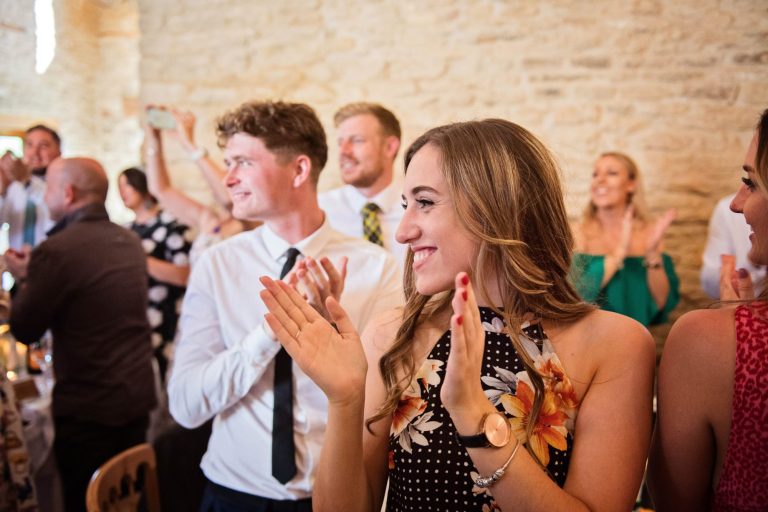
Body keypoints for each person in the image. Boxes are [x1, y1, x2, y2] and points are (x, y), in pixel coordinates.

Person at [260, 119, 655, 511]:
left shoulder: (613, 344)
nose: (403, 232)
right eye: (405, 206)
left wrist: (474, 417)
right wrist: (345, 401)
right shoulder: (394, 333)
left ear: (495, 208)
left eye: (425, 202)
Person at [167, 100, 402, 510]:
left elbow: (387, 405)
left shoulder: (377, 269)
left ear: (299, 169)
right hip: (231, 494)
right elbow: (186, 406)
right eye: (227, 163)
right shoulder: (217, 264)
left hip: (333, 498)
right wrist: (270, 332)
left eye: (242, 162)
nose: (229, 179)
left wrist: (330, 333)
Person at [6, 157, 156, 512]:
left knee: (85, 500)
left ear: (68, 193)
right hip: (135, 397)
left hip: (89, 408)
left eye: (50, 190)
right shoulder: (129, 240)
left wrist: (25, 277)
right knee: (128, 500)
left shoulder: (56, 251)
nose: (44, 200)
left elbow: (26, 329)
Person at [648, 109, 768, 511]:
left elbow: (673, 501)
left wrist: (736, 329)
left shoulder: (707, 342)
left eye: (751, 183)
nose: (737, 204)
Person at [571, 152, 680, 326]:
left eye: (611, 173)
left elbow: (661, 305)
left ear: (631, 185)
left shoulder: (650, 233)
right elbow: (576, 297)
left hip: (636, 340)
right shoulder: (578, 233)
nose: (600, 180)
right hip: (587, 341)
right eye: (595, 174)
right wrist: (619, 252)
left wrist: (652, 254)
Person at [143, 106, 254, 266]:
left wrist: (189, 144)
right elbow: (160, 190)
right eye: (227, 166)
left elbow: (228, 199)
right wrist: (154, 138)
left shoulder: (251, 222)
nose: (229, 177)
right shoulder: (209, 219)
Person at [118, 167, 191, 380]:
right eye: (119, 187)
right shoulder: (125, 230)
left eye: (127, 185)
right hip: (135, 317)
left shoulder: (171, 225)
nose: (123, 192)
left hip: (167, 314)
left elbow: (184, 275)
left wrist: (139, 258)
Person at [318, 102, 406, 266]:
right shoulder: (319, 212)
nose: (344, 151)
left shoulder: (421, 208)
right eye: (340, 143)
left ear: (389, 147)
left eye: (357, 140)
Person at [0, 125, 61, 251]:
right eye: (29, 145)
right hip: (17, 266)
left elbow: (55, 214)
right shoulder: (14, 186)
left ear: (58, 151)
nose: (34, 153)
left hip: (54, 265)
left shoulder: (65, 183)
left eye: (43, 146)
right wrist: (1, 191)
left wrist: (25, 181)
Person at [700, 192, 766, 299]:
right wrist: (749, 264)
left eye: (753, 185)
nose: (735, 205)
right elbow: (709, 285)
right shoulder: (726, 210)